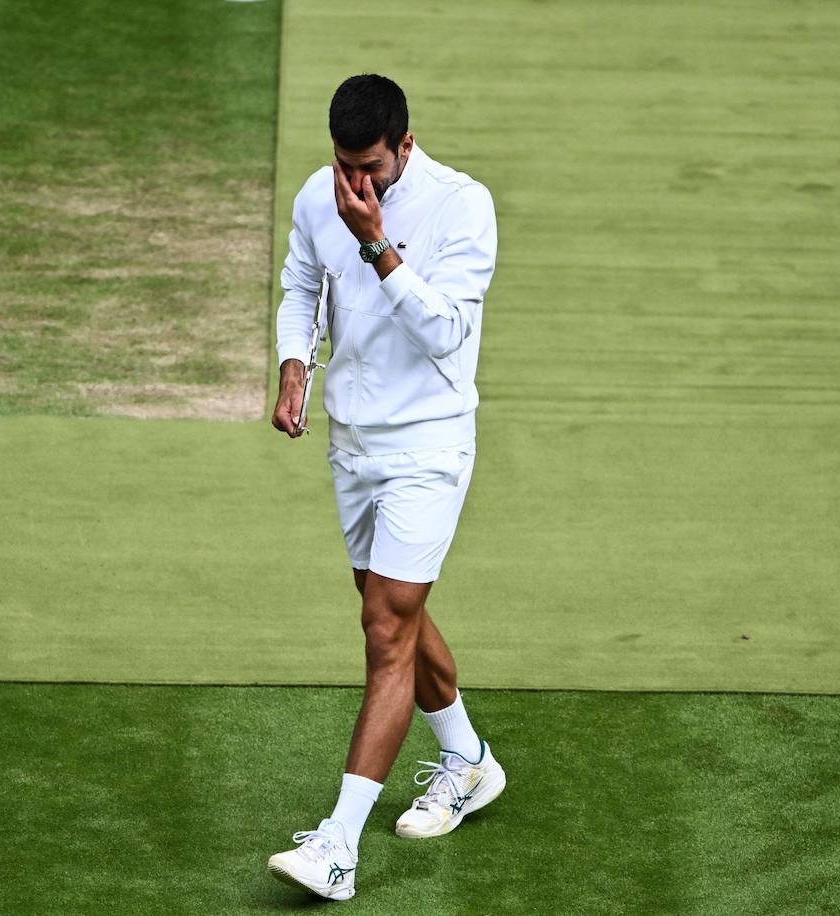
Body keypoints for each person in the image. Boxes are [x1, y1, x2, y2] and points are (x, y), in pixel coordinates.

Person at [265, 74, 503, 901]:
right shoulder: (316, 196)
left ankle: (338, 845)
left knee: (384, 627)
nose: (358, 184)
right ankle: (469, 761)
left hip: (430, 444)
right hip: (353, 444)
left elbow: (444, 328)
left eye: (373, 167)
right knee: (392, 610)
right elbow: (301, 288)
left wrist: (376, 242)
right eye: (345, 165)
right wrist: (295, 365)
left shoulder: (463, 206)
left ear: (406, 144)